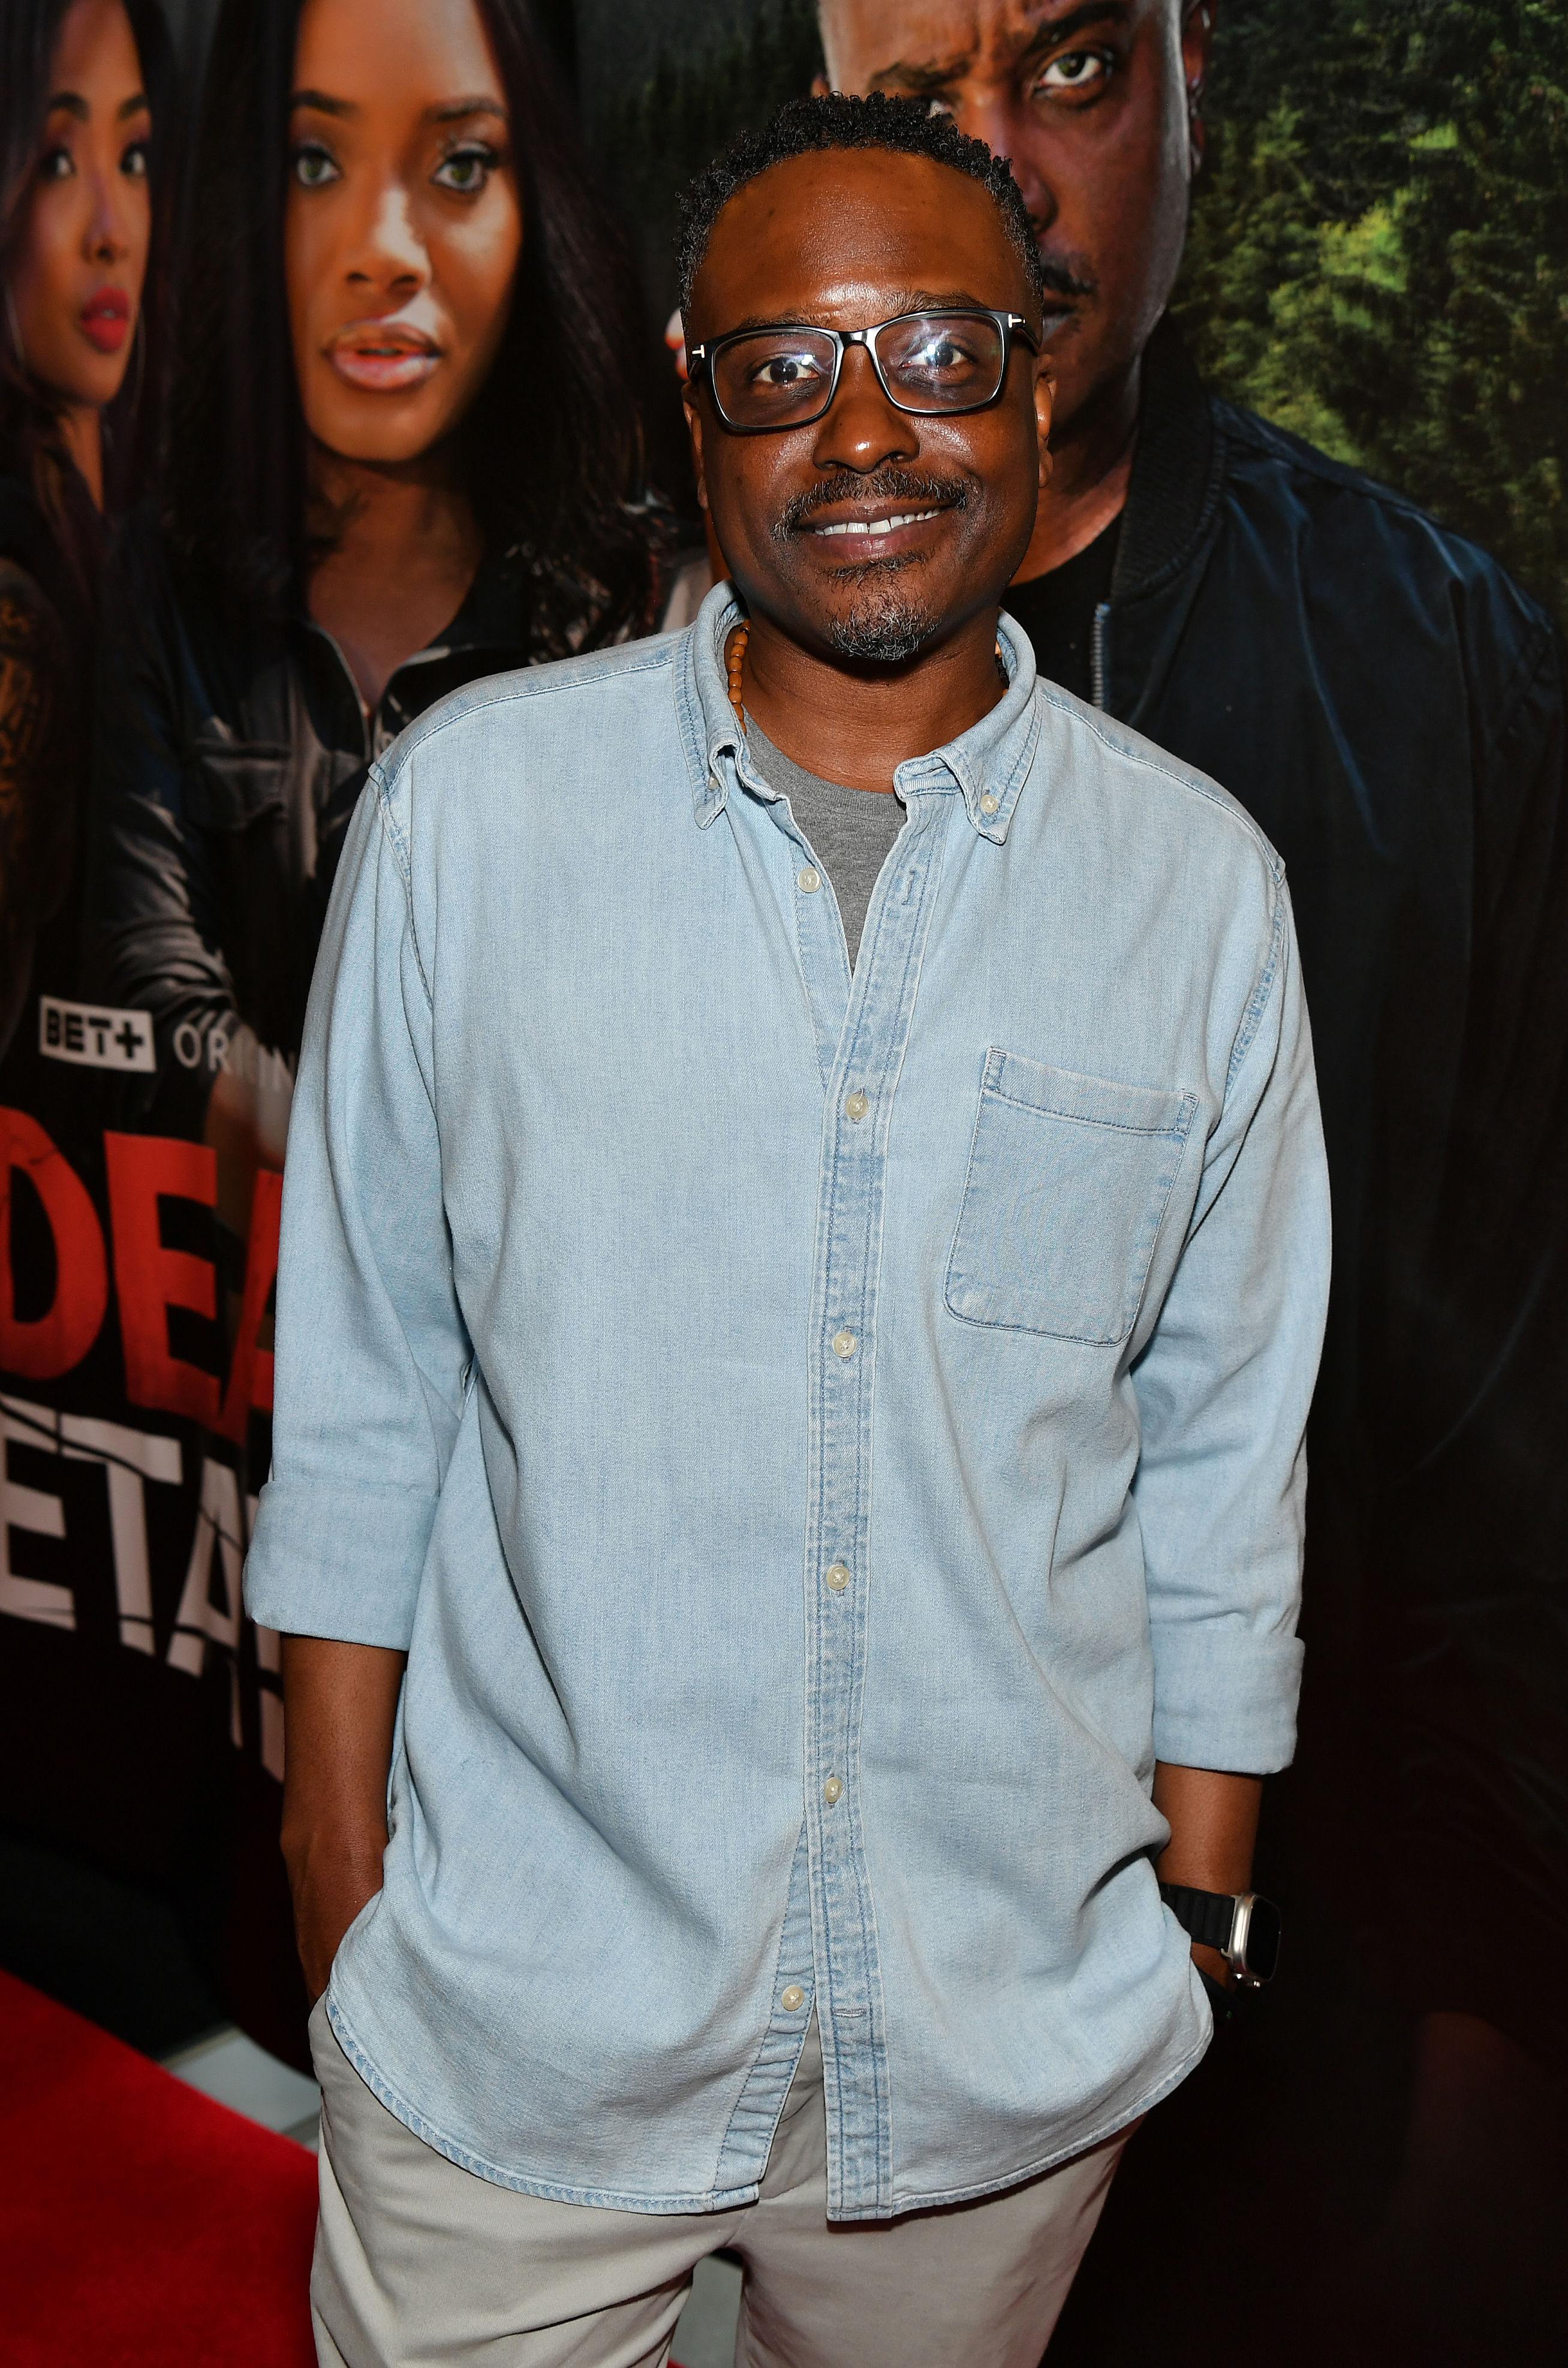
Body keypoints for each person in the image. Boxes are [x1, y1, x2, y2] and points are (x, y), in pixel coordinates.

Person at [246, 93, 1329, 2368]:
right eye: (783, 365)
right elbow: (361, 1411)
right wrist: (349, 1941)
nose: (864, 431)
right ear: (687, 393)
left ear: (1039, 375)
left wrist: (1198, 1921)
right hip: (518, 2049)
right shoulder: (473, 819)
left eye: (938, 352)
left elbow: (1224, 1457)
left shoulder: (1197, 891)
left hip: (992, 2080)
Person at [811, 4, 1568, 2362]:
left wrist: (1498, 2086)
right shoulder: (647, 706)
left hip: (1297, 2133)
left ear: (1193, 83)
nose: (1000, 175)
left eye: (1065, 73)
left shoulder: (1445, 686)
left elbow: (1517, 1469)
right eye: (920, 101)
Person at [84, 0, 661, 1247]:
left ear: (536, 211)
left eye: (461, 165)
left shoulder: (632, 614)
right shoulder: (156, 586)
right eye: (312, 163)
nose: (384, 249)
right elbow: (146, 974)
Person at [0, 0, 168, 1060]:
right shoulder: (20, 583)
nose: (113, 224)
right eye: (60, 159)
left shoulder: (126, 524)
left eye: (136, 154)